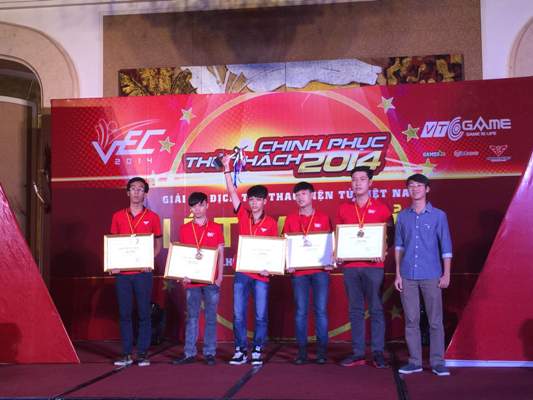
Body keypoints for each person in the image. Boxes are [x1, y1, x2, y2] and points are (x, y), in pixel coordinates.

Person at [222, 154, 278, 366]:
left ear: (265, 201)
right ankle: (240, 350)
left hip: (261, 274)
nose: (254, 203)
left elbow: (274, 249)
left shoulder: (271, 223)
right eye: (251, 199)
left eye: (258, 200)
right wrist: (226, 168)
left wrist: (270, 268)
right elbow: (231, 191)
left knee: (261, 315)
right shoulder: (242, 215)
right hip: (242, 271)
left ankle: (257, 349)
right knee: (238, 314)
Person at [394, 174, 452, 376]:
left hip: (432, 274)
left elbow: (446, 247)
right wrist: (398, 274)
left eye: (419, 186)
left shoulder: (439, 216)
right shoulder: (403, 216)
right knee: (411, 320)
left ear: (427, 189)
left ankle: (437, 362)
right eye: (411, 186)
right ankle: (415, 361)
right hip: (407, 274)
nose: (415, 189)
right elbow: (399, 246)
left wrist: (446, 274)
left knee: (435, 320)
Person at [336, 166, 392, 368]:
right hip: (350, 266)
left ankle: (377, 352)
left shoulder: (382, 208)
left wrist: (384, 249)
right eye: (354, 179)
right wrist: (338, 253)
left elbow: (391, 234)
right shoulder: (343, 208)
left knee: (376, 309)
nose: (357, 183)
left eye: (362, 179)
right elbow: (340, 237)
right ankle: (358, 352)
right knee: (355, 310)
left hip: (374, 266)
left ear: (370, 183)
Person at [110, 177, 162, 367]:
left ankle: (142, 354)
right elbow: (113, 245)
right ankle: (126, 354)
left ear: (145, 193)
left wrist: (149, 260)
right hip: (122, 274)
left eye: (140, 189)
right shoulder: (118, 216)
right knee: (124, 314)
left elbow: (158, 244)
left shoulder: (153, 217)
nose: (136, 192)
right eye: (133, 189)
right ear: (128, 192)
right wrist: (113, 264)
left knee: (144, 313)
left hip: (142, 273)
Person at [172, 192, 224, 366]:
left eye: (201, 205)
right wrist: (182, 275)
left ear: (207, 205)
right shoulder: (184, 229)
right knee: (192, 317)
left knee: (210, 318)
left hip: (211, 281)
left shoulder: (216, 227)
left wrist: (220, 276)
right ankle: (189, 353)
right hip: (192, 281)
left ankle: (209, 352)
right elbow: (183, 255)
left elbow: (221, 253)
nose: (198, 209)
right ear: (191, 209)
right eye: (194, 206)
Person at [282, 181, 332, 365]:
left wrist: (330, 261)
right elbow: (285, 244)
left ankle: (321, 352)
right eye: (297, 195)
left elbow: (330, 244)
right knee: (301, 312)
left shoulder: (324, 217)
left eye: (303, 194)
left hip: (320, 271)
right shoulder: (290, 219)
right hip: (299, 273)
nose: (300, 198)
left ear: (312, 195)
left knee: (321, 311)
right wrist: (288, 262)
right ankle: (302, 352)